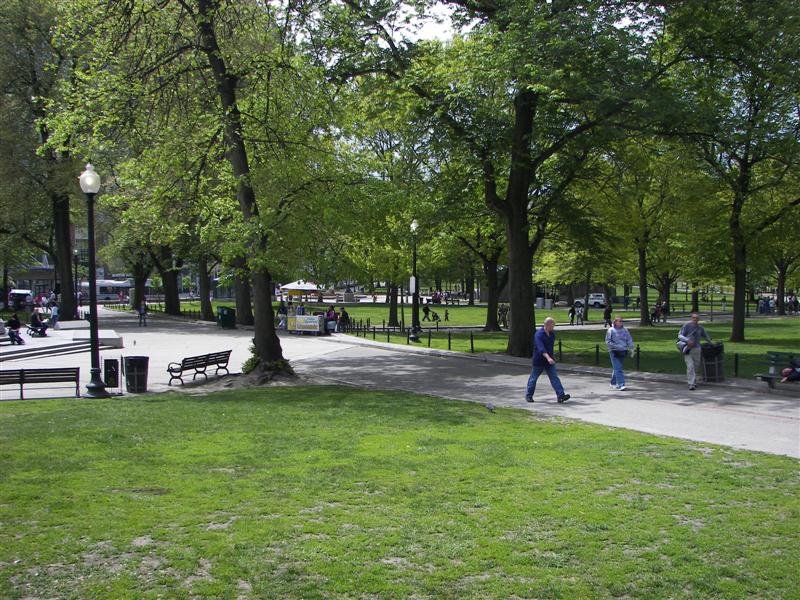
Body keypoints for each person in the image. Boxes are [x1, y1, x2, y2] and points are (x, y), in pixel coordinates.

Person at [525, 317, 570, 404]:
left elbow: (550, 348)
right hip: (539, 360)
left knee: (554, 378)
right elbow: (541, 348)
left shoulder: (552, 335)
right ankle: (529, 395)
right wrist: (548, 357)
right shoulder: (539, 334)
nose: (554, 327)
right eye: (553, 325)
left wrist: (552, 357)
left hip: (549, 361)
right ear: (548, 325)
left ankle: (561, 396)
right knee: (533, 378)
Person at [677, 312, 712, 390]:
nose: (695, 320)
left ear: (698, 319)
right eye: (694, 318)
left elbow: (705, 336)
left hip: (697, 349)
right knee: (690, 366)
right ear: (691, 318)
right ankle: (691, 384)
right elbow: (680, 335)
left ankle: (693, 381)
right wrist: (687, 340)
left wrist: (710, 342)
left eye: (697, 318)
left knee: (696, 366)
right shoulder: (687, 325)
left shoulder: (700, 328)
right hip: (688, 348)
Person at [606, 316, 634, 390]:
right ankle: (621, 384)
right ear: (615, 322)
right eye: (619, 321)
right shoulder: (611, 330)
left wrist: (631, 348)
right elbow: (608, 341)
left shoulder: (625, 330)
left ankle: (613, 382)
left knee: (617, 367)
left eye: (622, 321)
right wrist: (616, 346)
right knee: (618, 368)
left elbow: (629, 339)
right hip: (614, 351)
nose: (621, 322)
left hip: (623, 351)